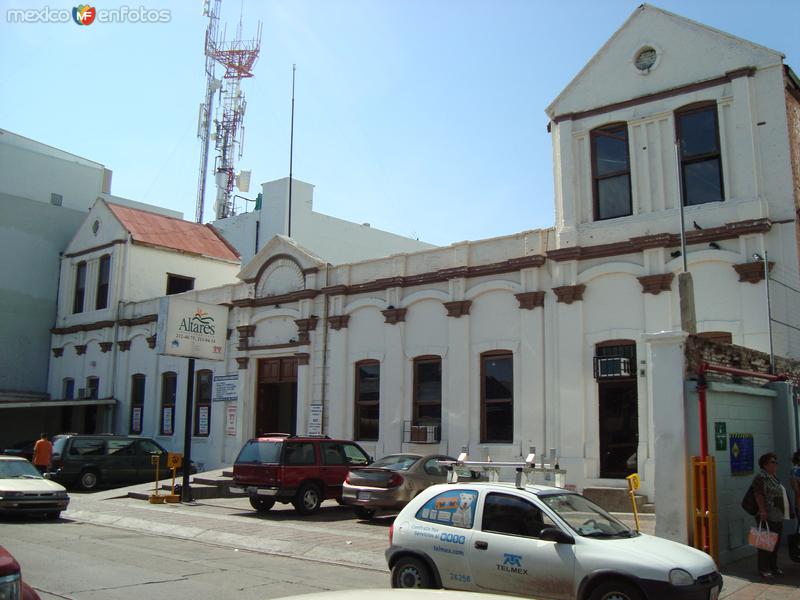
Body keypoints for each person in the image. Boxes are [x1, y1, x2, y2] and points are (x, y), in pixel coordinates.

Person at [752, 452, 790, 577]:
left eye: (775, 462)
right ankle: (763, 568)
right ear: (765, 464)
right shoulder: (761, 477)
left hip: (777, 515)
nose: (775, 464)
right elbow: (758, 494)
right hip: (767, 514)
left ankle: (773, 566)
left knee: (775, 543)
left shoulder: (772, 477)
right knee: (765, 543)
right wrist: (763, 510)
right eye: (772, 462)